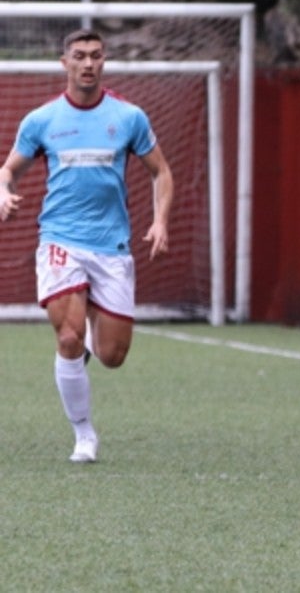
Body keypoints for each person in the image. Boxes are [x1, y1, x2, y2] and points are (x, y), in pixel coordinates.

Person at [0, 28, 175, 464]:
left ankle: (82, 355)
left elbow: (162, 172)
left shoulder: (129, 117)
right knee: (70, 334)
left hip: (112, 246)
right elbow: (8, 170)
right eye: (79, 56)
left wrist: (160, 222)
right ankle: (84, 435)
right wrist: (3, 192)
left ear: (104, 60)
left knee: (113, 355)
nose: (88, 63)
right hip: (60, 239)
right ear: (65, 63)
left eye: (96, 55)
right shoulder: (41, 120)